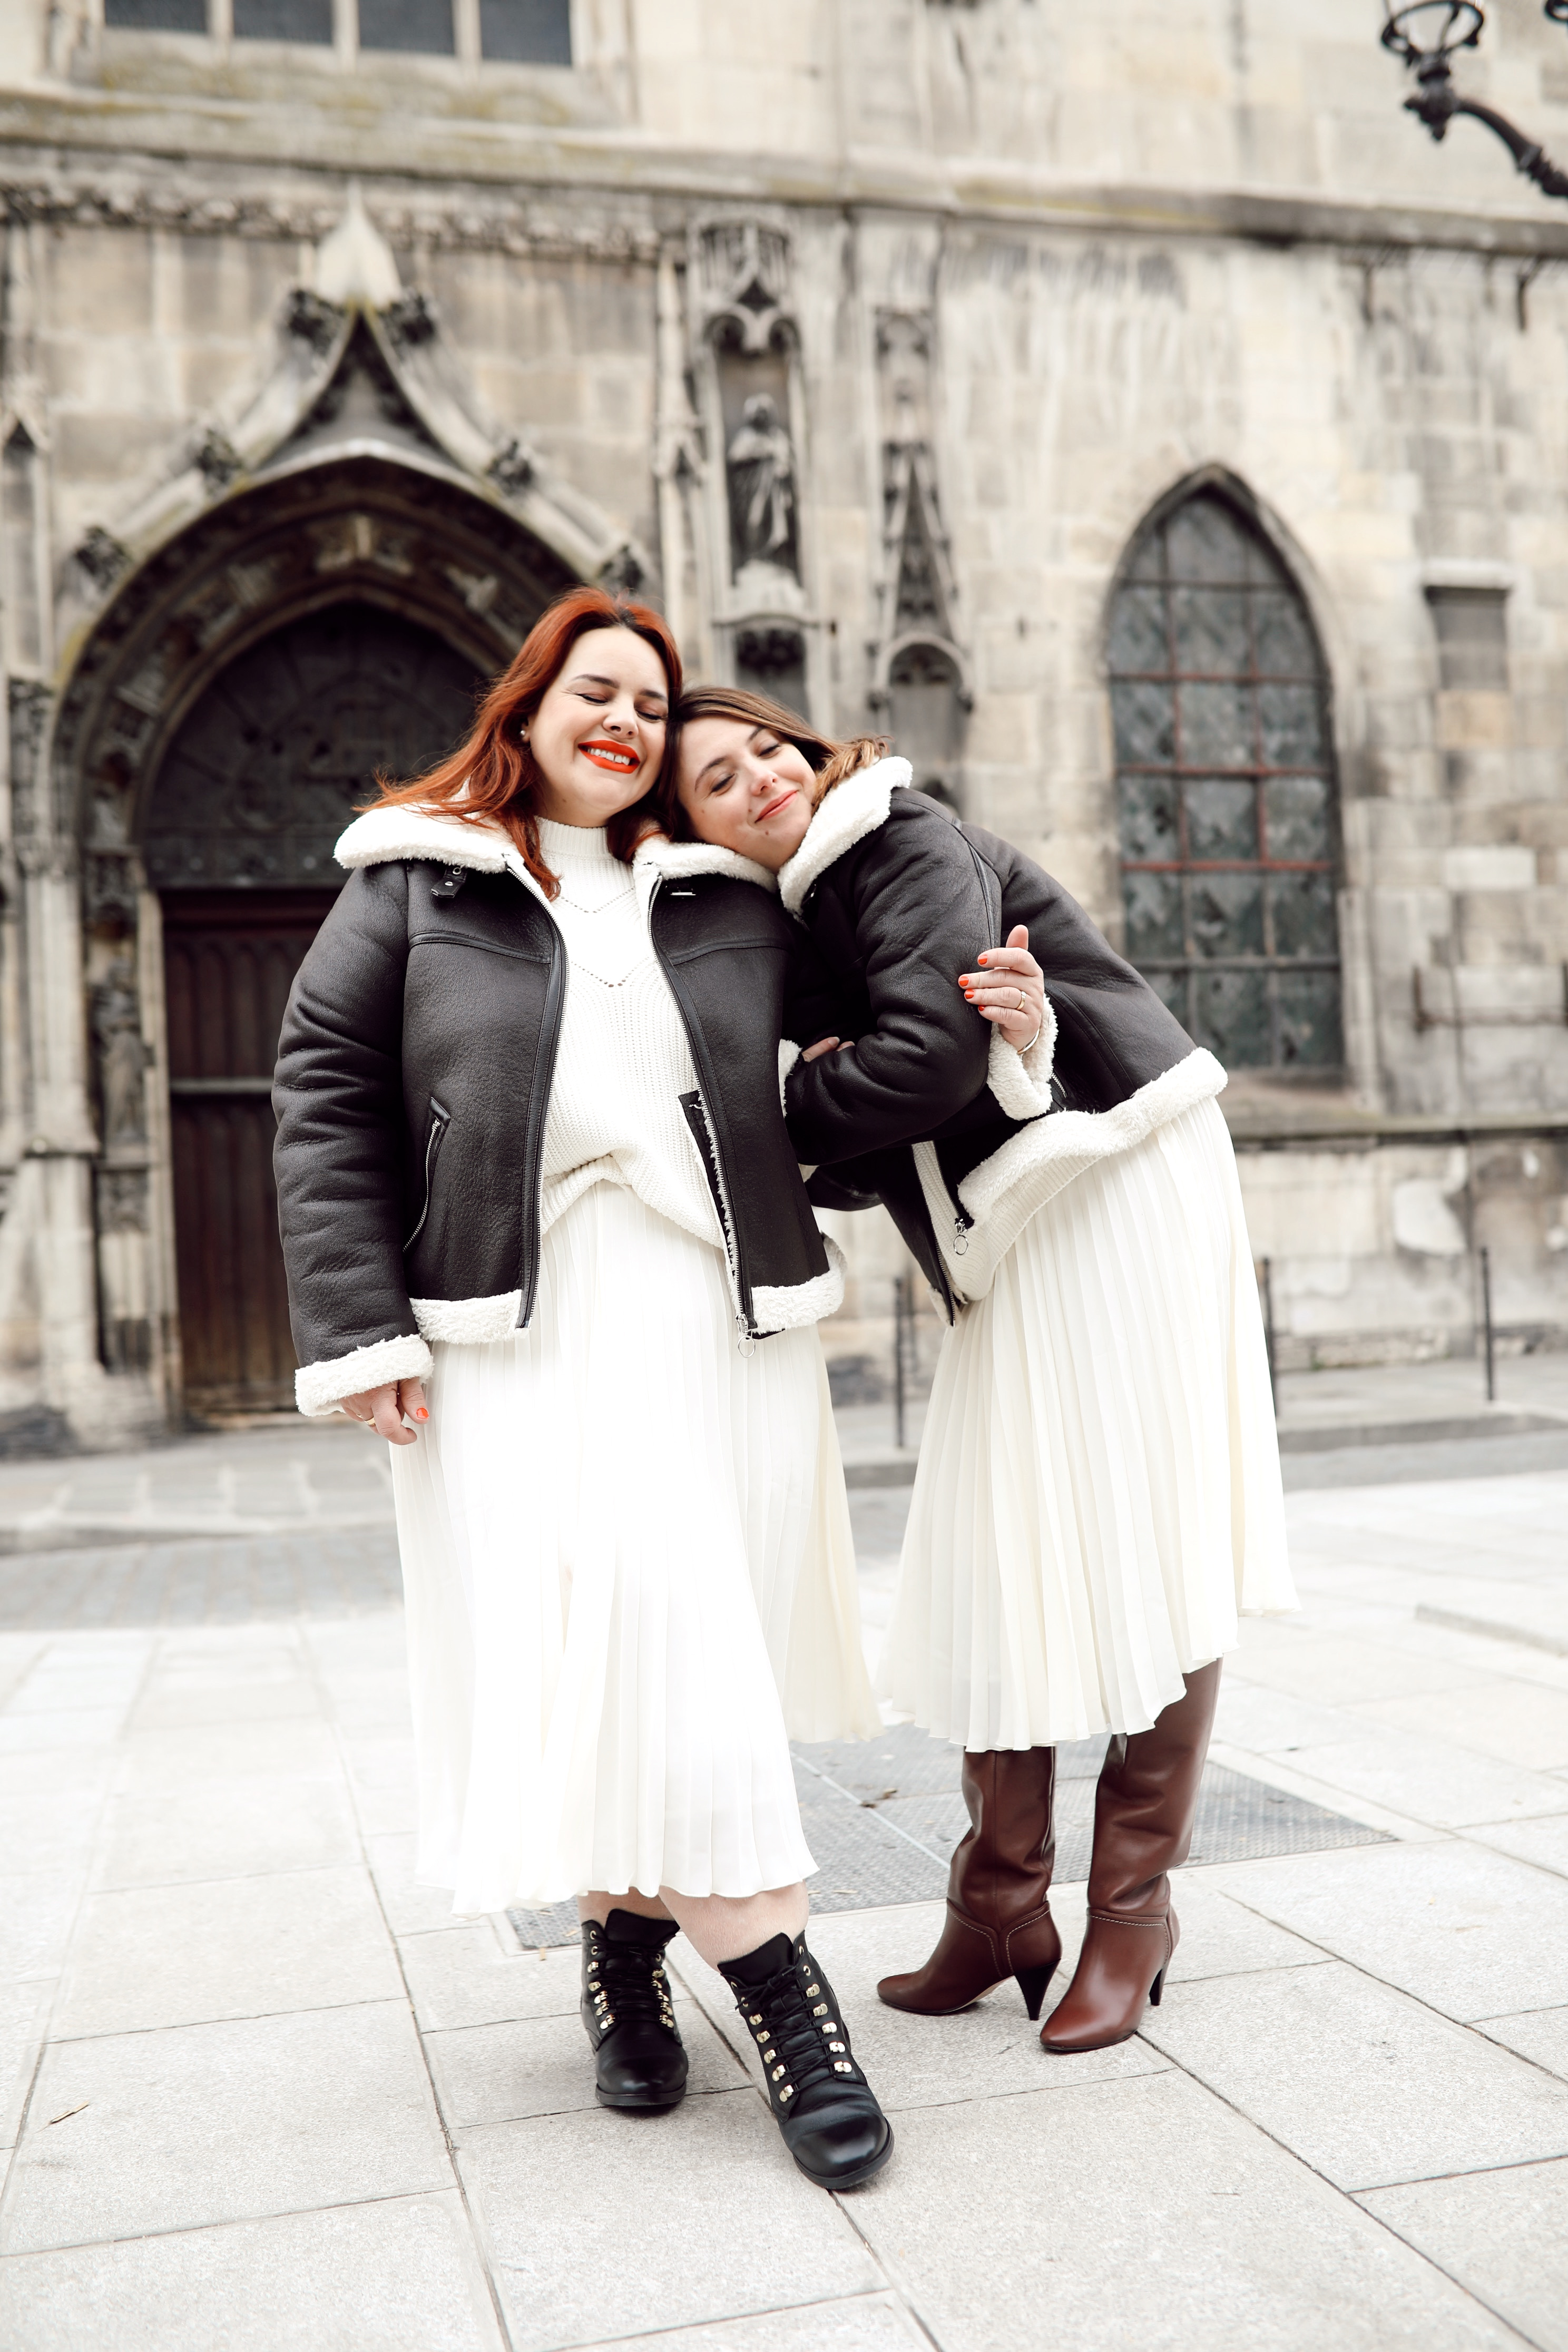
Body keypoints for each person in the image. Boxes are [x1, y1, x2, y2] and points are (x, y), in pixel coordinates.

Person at [271, 589, 896, 2190]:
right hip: (520, 1324)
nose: (625, 721)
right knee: (628, 1623)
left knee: (675, 1646)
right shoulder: (413, 880)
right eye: (596, 691)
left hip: (716, 1317)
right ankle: (783, 1989)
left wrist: (1007, 1036)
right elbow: (326, 1093)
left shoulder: (722, 892)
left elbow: (866, 1047)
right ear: (529, 704)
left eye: (651, 703)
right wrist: (362, 1328)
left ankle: (622, 1956)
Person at [664, 684, 1296, 2056]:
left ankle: (1131, 1909)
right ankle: (1001, 1903)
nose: (763, 776)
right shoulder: (807, 910)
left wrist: (778, 1104)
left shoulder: (895, 839)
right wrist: (863, 1089)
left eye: (767, 746)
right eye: (719, 779)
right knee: (1002, 1543)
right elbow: (888, 1123)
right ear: (696, 829)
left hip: (1115, 1180)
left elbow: (926, 1063)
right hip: (1024, 1217)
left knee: (1148, 1535)